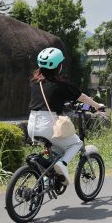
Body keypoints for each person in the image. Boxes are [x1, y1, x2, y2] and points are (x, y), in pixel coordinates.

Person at [28, 47, 105, 185]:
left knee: (57, 150)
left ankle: (46, 180)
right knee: (77, 143)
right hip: (48, 126)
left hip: (32, 125)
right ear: (59, 66)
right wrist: (96, 106)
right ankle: (62, 164)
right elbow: (82, 97)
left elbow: (49, 100)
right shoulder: (61, 84)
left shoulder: (35, 81)